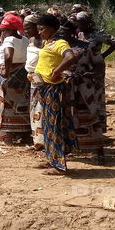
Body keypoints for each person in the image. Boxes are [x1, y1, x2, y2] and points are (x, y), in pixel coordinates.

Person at [33, 13, 80, 173]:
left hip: (54, 89)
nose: (39, 32)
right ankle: (52, 158)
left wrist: (57, 71)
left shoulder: (60, 43)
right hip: (45, 88)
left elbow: (71, 56)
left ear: (52, 28)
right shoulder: (48, 43)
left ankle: (59, 165)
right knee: (48, 124)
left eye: (42, 29)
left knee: (55, 125)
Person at [75, 11, 115, 159]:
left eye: (82, 21)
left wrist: (103, 55)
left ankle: (97, 133)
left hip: (95, 70)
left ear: (88, 21)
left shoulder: (98, 34)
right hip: (80, 71)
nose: (79, 24)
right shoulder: (76, 34)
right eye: (78, 22)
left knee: (95, 100)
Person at [0, 13, 31, 144]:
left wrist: (5, 70)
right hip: (22, 75)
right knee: (22, 104)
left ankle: (8, 137)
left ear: (8, 29)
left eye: (3, 29)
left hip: (10, 76)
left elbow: (8, 56)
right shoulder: (25, 39)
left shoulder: (9, 40)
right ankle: (24, 134)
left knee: (8, 105)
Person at [24, 14, 44, 150]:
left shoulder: (45, 41)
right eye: (25, 28)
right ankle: (37, 141)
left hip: (44, 80)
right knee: (34, 111)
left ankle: (44, 142)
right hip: (32, 80)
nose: (26, 31)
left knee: (42, 110)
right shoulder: (30, 40)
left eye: (29, 28)